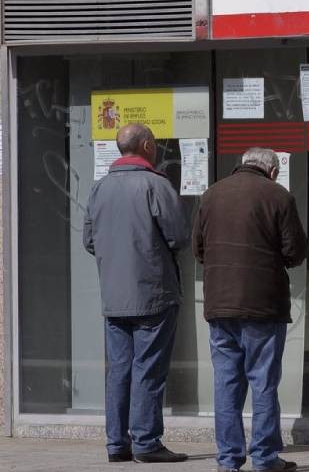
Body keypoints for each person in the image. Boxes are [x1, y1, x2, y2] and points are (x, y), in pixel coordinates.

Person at [193, 148, 308, 472]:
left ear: (242, 165)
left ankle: (228, 459)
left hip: (220, 304)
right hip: (263, 306)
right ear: (272, 171)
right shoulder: (278, 196)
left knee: (226, 384)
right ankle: (264, 458)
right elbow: (295, 251)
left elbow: (198, 249)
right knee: (263, 382)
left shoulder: (211, 195)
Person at [83, 123, 190, 464]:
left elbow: (89, 240)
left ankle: (117, 443)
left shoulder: (99, 188)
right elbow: (178, 236)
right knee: (149, 369)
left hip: (114, 296)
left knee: (119, 370)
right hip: (152, 292)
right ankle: (146, 441)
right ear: (146, 145)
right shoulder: (155, 184)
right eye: (154, 143)